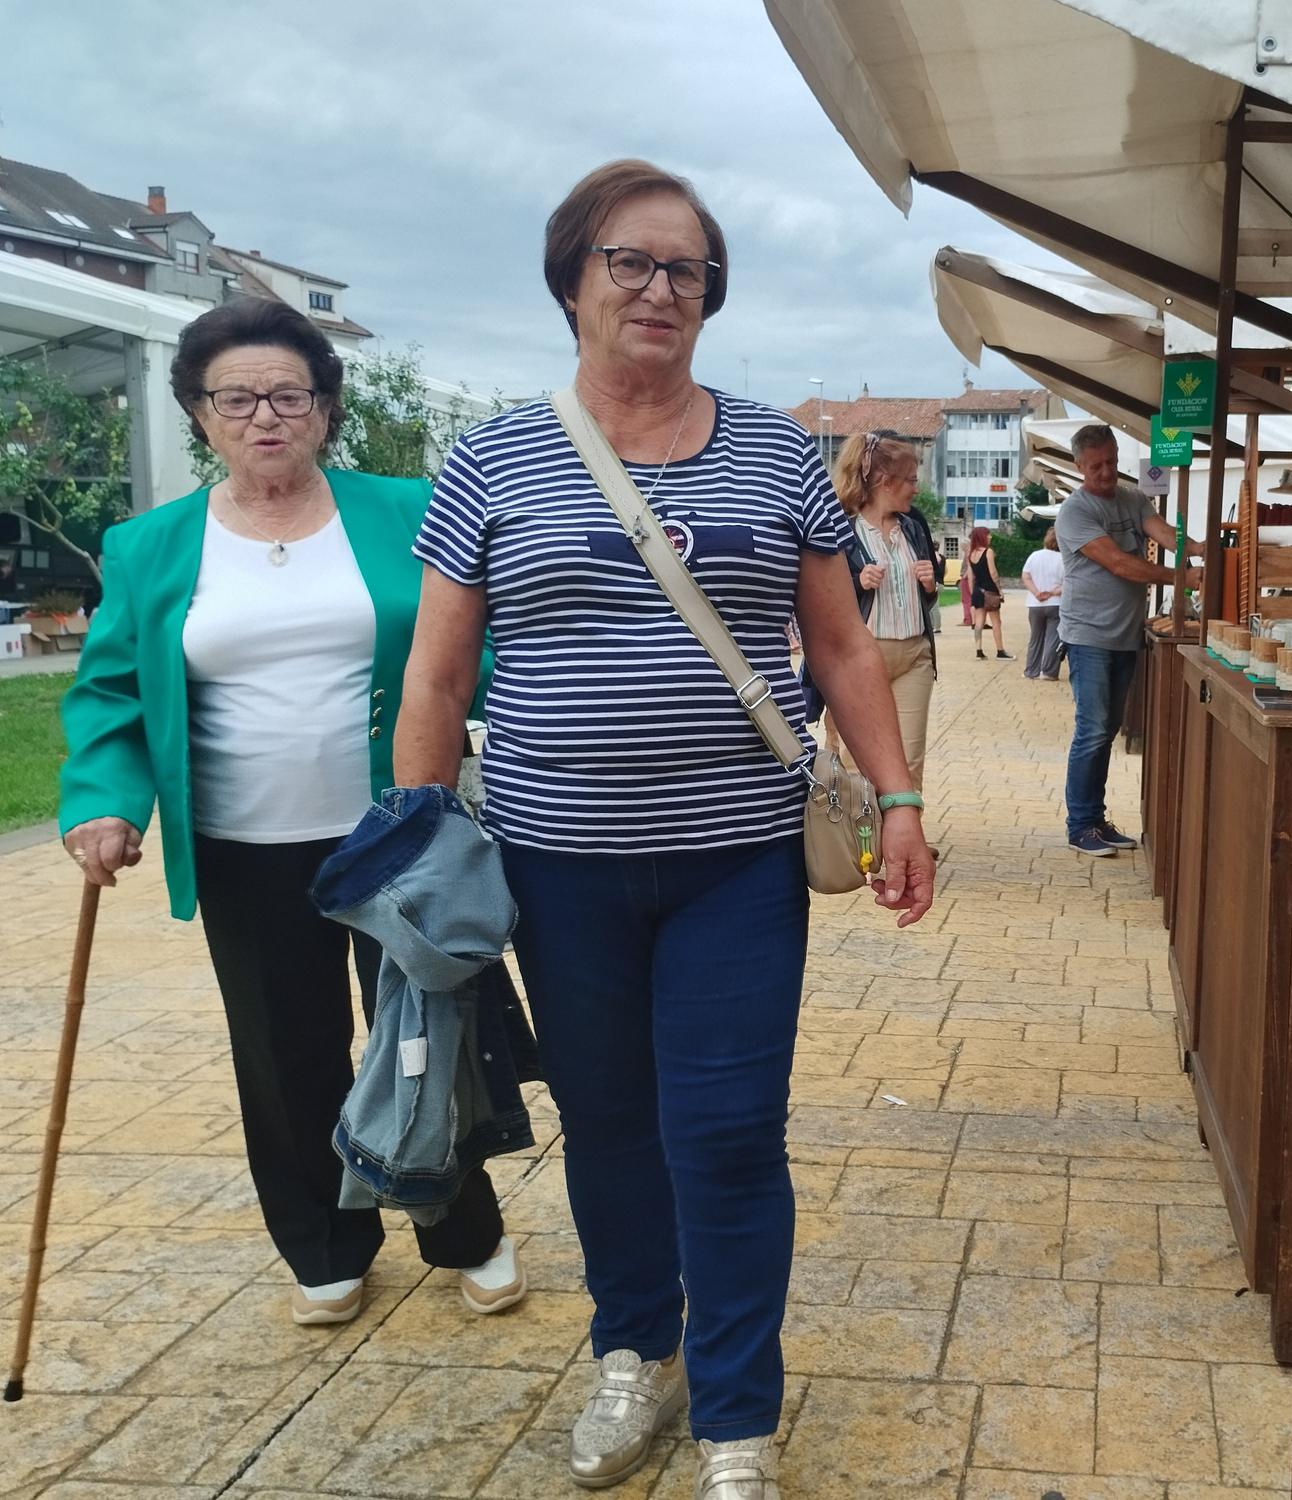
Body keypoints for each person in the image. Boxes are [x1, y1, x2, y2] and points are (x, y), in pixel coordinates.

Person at [394, 159, 933, 1498]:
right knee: (611, 1123)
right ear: (571, 279)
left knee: (732, 1129)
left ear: (711, 297)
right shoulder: (494, 456)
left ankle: (738, 1411)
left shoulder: (771, 454)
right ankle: (635, 1344)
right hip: (553, 863)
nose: (659, 290)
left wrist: (903, 797)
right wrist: (413, 835)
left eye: (686, 270)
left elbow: (844, 650)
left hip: (738, 861)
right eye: (629, 263)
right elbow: (438, 678)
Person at [57, 299, 524, 1329]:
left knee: (426, 1034)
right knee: (283, 1053)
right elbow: (111, 694)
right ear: (200, 413)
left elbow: (476, 653)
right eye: (237, 398)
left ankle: (463, 1231)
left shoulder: (408, 510)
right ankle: (323, 1238)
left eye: (288, 394)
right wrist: (101, 804)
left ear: (324, 408)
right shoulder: (148, 545)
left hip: (396, 835)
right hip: (242, 847)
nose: (264, 416)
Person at [1055, 423, 1204, 856]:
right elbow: (1120, 564)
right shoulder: (1075, 513)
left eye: (1112, 462)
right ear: (1080, 466)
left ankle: (1096, 820)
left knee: (1108, 729)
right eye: (1096, 466)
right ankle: (1080, 825)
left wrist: (1200, 548)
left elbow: (1166, 535)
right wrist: (1184, 577)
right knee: (1092, 729)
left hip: (1123, 634)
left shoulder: (1134, 498)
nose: (1106, 472)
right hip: (1088, 635)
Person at [827, 429, 942, 788]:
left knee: (909, 761)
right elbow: (819, 600)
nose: (916, 488)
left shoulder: (913, 527)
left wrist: (929, 585)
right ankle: (862, 842)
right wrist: (855, 583)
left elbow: (928, 597)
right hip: (862, 657)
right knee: (857, 763)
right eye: (909, 480)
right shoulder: (841, 528)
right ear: (883, 481)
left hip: (915, 655)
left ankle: (905, 842)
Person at [1020, 527, 1065, 680]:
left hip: (1035, 604)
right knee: (1053, 638)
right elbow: (1068, 584)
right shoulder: (1064, 559)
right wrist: (1052, 593)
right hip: (1056, 603)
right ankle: (1048, 672)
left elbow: (1025, 576)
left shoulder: (1034, 556)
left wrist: (1036, 592)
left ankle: (1031, 670)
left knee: (1035, 638)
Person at [964, 525, 1010, 659]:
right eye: (988, 534)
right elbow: (993, 572)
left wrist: (973, 592)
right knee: (996, 621)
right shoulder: (988, 551)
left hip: (978, 590)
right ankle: (1000, 651)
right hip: (990, 590)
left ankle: (979, 651)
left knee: (979, 622)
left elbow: (970, 575)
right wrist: (999, 589)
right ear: (982, 537)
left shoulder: (970, 553)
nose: (990, 537)